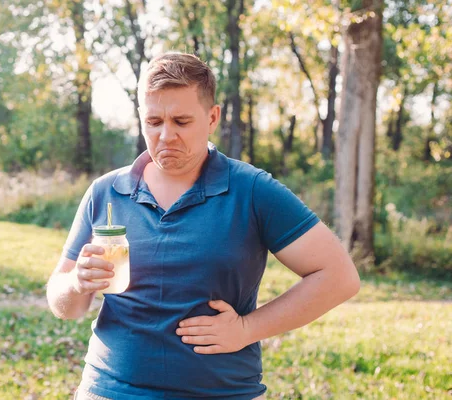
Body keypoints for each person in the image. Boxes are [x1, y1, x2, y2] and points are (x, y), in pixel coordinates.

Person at [47, 52, 360, 400]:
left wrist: (246, 329)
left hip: (222, 392)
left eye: (181, 121)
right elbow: (64, 305)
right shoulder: (106, 192)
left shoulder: (252, 190)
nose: (166, 136)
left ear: (212, 118)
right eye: (154, 122)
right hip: (109, 389)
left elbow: (338, 277)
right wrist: (76, 284)